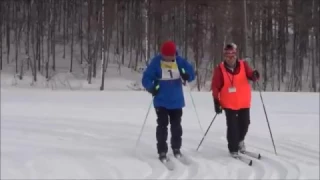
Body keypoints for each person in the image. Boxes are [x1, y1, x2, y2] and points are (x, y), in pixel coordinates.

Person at [141, 40, 196, 161]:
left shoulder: (180, 61)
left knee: (176, 127)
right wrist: (151, 88)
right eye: (166, 57)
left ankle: (176, 148)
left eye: (171, 57)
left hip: (176, 101)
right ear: (162, 54)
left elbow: (191, 73)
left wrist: (187, 75)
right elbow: (146, 78)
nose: (168, 59)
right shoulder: (156, 62)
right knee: (162, 126)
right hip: (161, 101)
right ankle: (162, 150)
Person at [211, 43, 260, 158]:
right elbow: (215, 86)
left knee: (245, 123)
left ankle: (240, 141)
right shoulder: (220, 69)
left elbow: (251, 76)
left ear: (235, 55)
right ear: (224, 56)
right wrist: (216, 101)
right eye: (227, 56)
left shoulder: (243, 65)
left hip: (243, 101)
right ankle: (233, 148)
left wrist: (255, 75)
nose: (230, 59)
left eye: (232, 56)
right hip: (228, 103)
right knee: (232, 126)